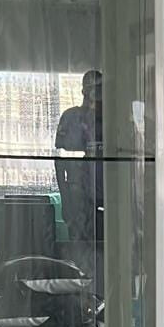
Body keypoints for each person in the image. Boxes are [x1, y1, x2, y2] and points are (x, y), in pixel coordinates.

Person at [54, 70, 105, 288]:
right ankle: (80, 304)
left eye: (99, 87)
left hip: (106, 195)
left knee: (105, 252)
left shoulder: (113, 119)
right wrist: (65, 197)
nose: (94, 92)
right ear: (83, 89)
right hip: (77, 194)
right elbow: (59, 160)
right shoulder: (70, 117)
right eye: (90, 87)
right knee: (80, 255)